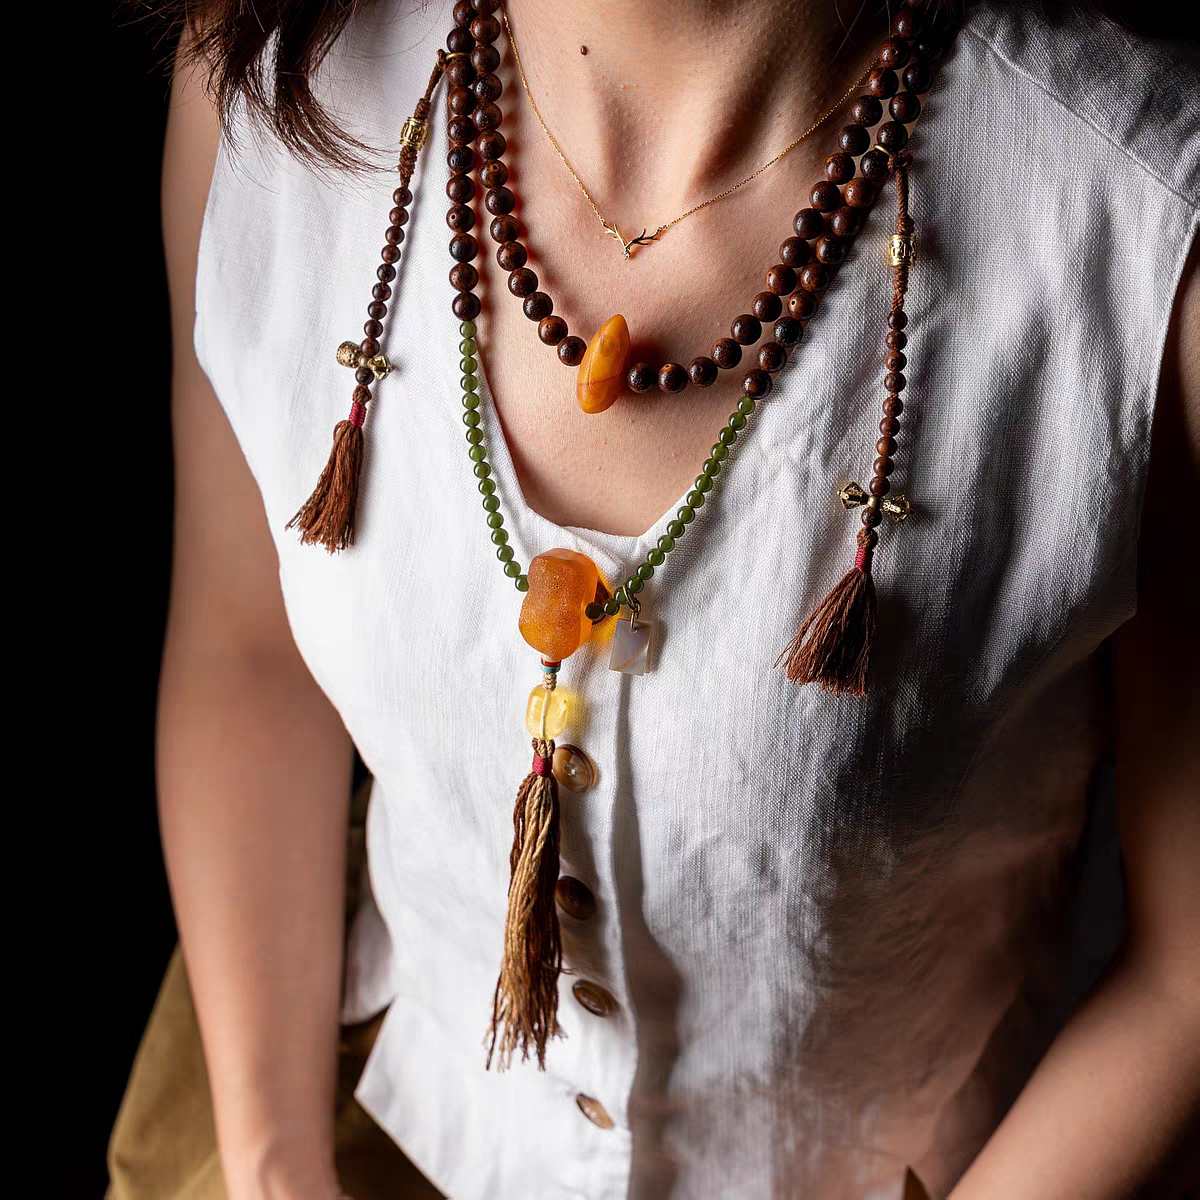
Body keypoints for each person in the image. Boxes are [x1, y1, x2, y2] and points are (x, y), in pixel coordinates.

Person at [108, 0, 1199, 1198]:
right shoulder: (263, 87)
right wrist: (273, 1166)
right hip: (369, 1114)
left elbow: (1185, 972)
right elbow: (243, 648)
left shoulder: (1146, 236)